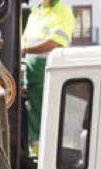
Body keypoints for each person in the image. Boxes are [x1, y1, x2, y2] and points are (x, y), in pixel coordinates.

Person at [21, 0, 74, 152]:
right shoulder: (34, 13)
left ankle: (43, 155)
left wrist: (24, 51)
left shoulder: (63, 11)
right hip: (32, 76)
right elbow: (24, 44)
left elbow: (55, 43)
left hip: (49, 73)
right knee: (33, 120)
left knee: (47, 120)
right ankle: (35, 154)